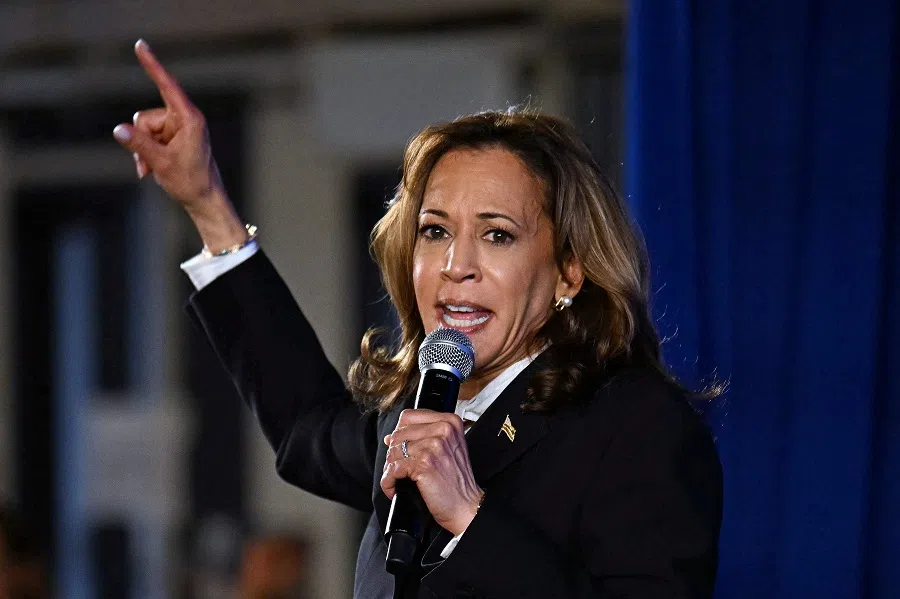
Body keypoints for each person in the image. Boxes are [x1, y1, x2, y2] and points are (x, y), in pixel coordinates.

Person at [114, 39, 723, 598]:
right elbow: (306, 424)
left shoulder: (635, 428)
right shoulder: (416, 416)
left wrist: (471, 519)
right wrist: (207, 205)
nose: (457, 265)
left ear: (569, 270)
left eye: (498, 235)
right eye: (435, 232)